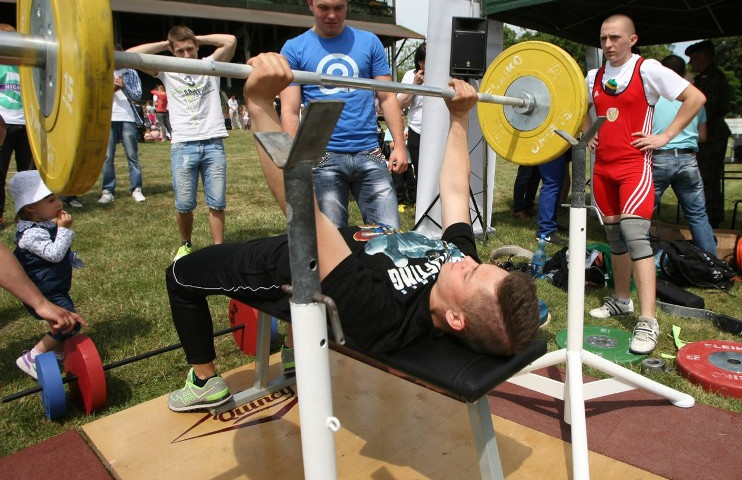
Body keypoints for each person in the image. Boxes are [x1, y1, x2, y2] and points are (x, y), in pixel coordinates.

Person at [163, 52, 540, 411]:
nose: (466, 261)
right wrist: (460, 117)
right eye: (477, 264)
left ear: (457, 319)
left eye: (471, 273)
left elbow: (302, 213)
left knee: (180, 275)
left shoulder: (383, 313)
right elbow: (457, 190)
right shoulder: (460, 269)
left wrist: (261, 104)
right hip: (337, 240)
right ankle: (296, 354)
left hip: (289, 263)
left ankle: (204, 382)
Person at [584, 14, 705, 355]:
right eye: (604, 38)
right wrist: (587, 131)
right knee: (612, 237)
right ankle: (622, 300)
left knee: (636, 237)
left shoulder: (647, 69)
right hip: (602, 169)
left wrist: (665, 136)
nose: (608, 44)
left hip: (634, 167)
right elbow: (583, 105)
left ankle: (648, 320)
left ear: (632, 39)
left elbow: (695, 98)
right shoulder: (593, 75)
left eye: (615, 38)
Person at [279, 0, 407, 229]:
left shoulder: (369, 42)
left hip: (370, 152)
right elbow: (290, 111)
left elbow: (387, 96)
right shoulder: (294, 48)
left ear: (347, 4)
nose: (332, 15)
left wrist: (400, 145)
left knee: (389, 233)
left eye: (339, 7)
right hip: (322, 157)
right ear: (310, 4)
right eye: (323, 7)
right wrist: (296, 163)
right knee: (332, 242)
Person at [127, 26, 236, 261]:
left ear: (197, 47)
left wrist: (199, 38)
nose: (186, 55)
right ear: (173, 52)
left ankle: (218, 248)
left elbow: (230, 40)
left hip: (213, 142)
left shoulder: (210, 64)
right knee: (184, 203)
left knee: (217, 201)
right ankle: (186, 243)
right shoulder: (168, 69)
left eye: (190, 49)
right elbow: (132, 54)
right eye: (180, 51)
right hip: (183, 145)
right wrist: (166, 45)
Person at [8, 170, 85, 378]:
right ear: (31, 207)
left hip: (55, 286)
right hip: (45, 290)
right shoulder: (31, 233)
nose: (58, 203)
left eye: (58, 197)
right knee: (70, 322)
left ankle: (58, 354)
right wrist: (64, 230)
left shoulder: (43, 224)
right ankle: (33, 356)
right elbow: (54, 254)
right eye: (51, 200)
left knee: (64, 323)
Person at [651, 55, 717, 256]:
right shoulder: (695, 99)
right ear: (684, 74)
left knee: (641, 214)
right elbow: (703, 136)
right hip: (688, 160)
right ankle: (712, 264)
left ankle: (637, 258)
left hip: (658, 157)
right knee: (697, 215)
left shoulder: (652, 98)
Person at [686, 39, 731, 228]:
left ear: (703, 56)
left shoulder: (712, 78)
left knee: (707, 179)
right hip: (708, 134)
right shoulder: (707, 77)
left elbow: (707, 108)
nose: (691, 63)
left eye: (693, 58)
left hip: (711, 135)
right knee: (706, 179)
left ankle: (709, 219)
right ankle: (708, 218)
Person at [98, 47, 146, 204]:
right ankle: (107, 191)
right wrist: (112, 88)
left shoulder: (131, 72)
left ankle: (136, 189)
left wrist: (124, 86)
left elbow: (138, 95)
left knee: (132, 156)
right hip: (107, 118)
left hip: (127, 118)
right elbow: (96, 95)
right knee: (107, 157)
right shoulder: (102, 71)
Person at [0, 23, 35, 227]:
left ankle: (28, 212)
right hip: (3, 124)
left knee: (28, 174)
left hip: (26, 125)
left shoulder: (27, 66)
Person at [396, 42, 427, 203]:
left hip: (439, 131)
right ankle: (422, 205)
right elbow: (400, 104)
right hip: (417, 130)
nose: (425, 64)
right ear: (419, 62)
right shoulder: (410, 76)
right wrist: (415, 86)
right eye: (422, 61)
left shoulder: (444, 76)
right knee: (420, 170)